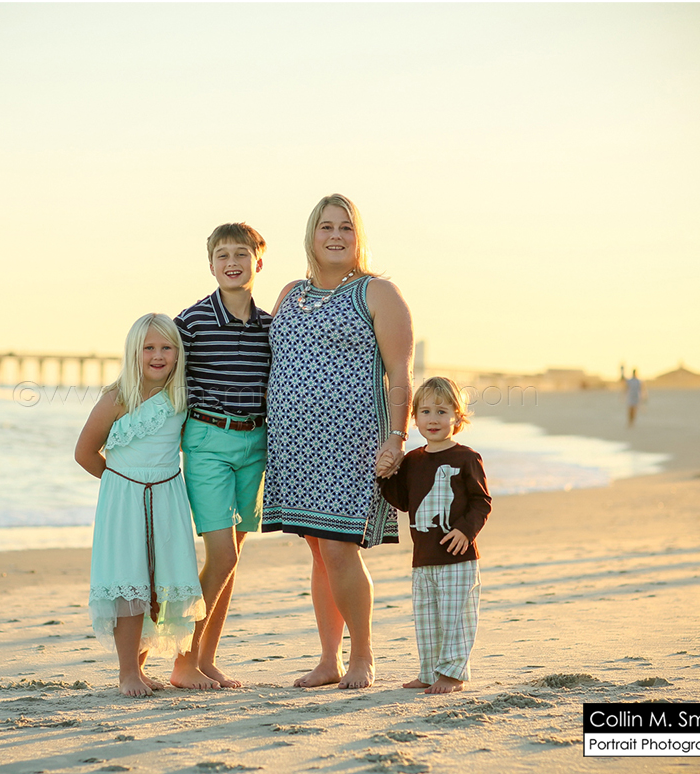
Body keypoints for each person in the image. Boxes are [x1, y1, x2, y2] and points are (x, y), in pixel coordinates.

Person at [263, 194, 413, 689]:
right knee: (319, 550)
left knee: (339, 547)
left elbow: (400, 373)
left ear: (358, 237)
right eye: (326, 226)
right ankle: (329, 660)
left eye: (345, 227)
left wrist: (396, 437)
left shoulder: (377, 293)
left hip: (351, 444)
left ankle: (362, 657)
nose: (335, 235)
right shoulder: (290, 293)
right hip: (294, 444)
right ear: (311, 236)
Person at [74, 313, 206, 697]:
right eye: (149, 348)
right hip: (125, 500)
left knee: (158, 586)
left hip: (167, 498)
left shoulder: (180, 398)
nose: (158, 355)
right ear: (134, 352)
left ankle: (142, 668)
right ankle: (127, 672)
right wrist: (121, 483)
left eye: (166, 347)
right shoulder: (116, 398)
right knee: (129, 585)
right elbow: (84, 452)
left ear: (178, 353)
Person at [171, 222, 271, 690]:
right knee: (222, 555)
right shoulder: (190, 322)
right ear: (210, 264)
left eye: (241, 254)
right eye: (223, 255)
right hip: (208, 441)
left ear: (258, 262)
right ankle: (182, 662)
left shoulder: (271, 326)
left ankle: (205, 659)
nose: (232, 262)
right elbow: (161, 373)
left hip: (255, 443)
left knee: (232, 558)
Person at [377, 377, 491, 694]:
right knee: (427, 620)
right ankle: (429, 672)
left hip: (458, 558)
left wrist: (465, 530)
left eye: (442, 412)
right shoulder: (413, 460)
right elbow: (403, 501)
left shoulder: (467, 458)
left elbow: (482, 502)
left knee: (457, 618)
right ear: (414, 418)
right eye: (425, 411)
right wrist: (385, 476)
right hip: (423, 557)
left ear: (457, 417)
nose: (433, 419)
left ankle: (453, 674)